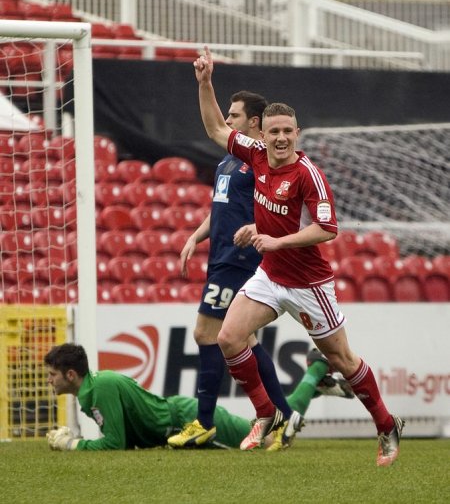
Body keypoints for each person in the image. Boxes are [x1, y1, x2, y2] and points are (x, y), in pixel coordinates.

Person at [192, 45, 404, 466]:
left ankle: (385, 424)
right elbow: (216, 128)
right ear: (263, 134)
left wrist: (275, 241)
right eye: (274, 132)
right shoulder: (254, 155)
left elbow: (326, 228)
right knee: (228, 337)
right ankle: (267, 415)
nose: (282, 138)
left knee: (342, 359)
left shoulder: (308, 174)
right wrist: (205, 82)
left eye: (289, 131)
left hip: (309, 284)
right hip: (270, 276)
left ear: (298, 133)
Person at [167, 90, 301, 450]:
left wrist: (259, 231)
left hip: (240, 260)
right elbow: (219, 208)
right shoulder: (228, 162)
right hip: (219, 255)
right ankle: (286, 416)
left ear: (253, 123)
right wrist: (195, 237)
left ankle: (205, 422)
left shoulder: (261, 163)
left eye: (234, 116)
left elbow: (275, 207)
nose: (227, 121)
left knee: (205, 333)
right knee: (244, 340)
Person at [45, 343, 353, 451]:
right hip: (178, 422)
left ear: (71, 374)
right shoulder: (94, 388)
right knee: (268, 432)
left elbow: (114, 444)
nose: (49, 380)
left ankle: (315, 370)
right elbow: (123, 441)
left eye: (52, 375)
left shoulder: (96, 391)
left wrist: (72, 444)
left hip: (187, 421)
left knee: (275, 441)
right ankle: (317, 383)